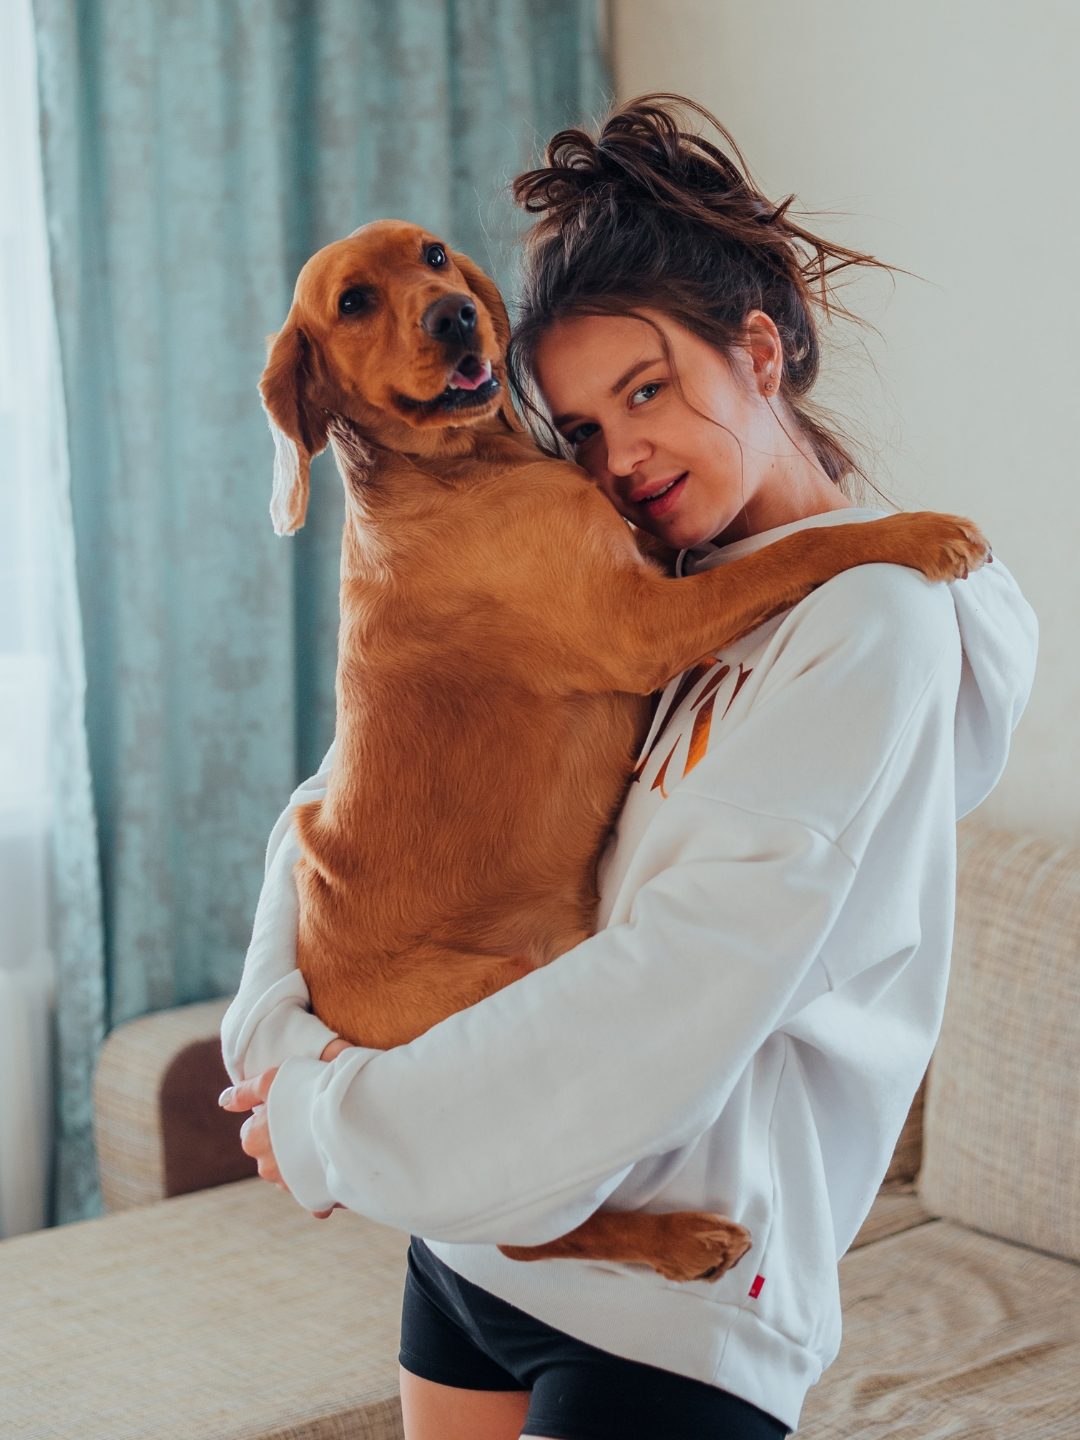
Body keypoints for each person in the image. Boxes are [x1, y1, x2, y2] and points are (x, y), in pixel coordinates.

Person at [219, 94, 1038, 1440]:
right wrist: (269, 1037)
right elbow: (338, 801)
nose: (620, 459)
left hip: (670, 1319)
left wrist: (330, 1125)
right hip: (468, 1248)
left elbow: (670, 991)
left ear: (759, 354)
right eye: (583, 429)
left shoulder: (874, 623)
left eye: (646, 393)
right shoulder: (640, 564)